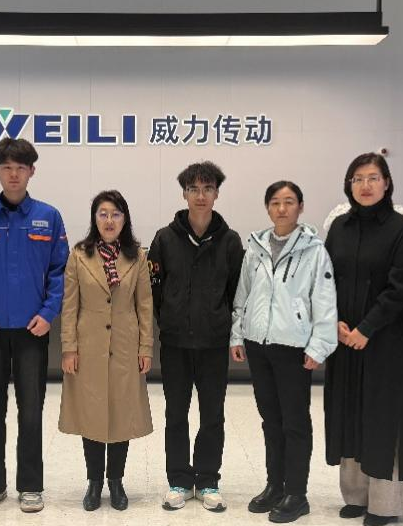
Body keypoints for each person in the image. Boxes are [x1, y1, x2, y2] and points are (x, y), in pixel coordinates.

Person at [0, 137, 69, 514]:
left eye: (21, 168)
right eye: (6, 167)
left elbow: (59, 272)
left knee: (31, 410)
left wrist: (48, 313)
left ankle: (31, 486)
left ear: (31, 171)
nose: (14, 174)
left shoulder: (48, 217)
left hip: (31, 331)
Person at [323, 153, 403, 526]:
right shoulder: (339, 227)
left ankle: (385, 504)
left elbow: (401, 287)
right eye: (357, 179)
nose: (365, 186)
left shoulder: (402, 228)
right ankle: (355, 495)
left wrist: (367, 328)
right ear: (349, 185)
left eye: (373, 178)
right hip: (344, 338)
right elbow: (324, 277)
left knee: (383, 418)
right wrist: (334, 321)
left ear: (386, 183)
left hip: (386, 339)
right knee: (348, 411)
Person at [230, 181, 338, 523]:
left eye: (289, 202)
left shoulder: (314, 250)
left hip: (294, 347)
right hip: (258, 344)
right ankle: (275, 485)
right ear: (267, 207)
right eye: (275, 202)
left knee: (295, 422)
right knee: (271, 420)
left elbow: (324, 301)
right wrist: (237, 335)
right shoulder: (256, 246)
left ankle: (297, 493)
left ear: (300, 207)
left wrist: (319, 346)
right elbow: (243, 294)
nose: (282, 208)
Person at [148, 161, 244, 512]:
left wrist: (227, 329)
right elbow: (153, 290)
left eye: (207, 189)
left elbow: (237, 293)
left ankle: (207, 481)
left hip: (213, 344)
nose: (200, 195)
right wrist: (169, 320)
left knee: (212, 415)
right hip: (174, 343)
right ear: (184, 194)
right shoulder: (164, 239)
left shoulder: (230, 241)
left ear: (217, 194)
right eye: (193, 189)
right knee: (176, 414)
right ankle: (178, 480)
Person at [58, 190, 154, 512]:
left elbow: (144, 305)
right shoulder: (79, 255)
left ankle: (116, 480)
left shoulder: (137, 256)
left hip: (126, 346)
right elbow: (69, 306)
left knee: (121, 414)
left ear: (124, 219)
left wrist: (145, 347)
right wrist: (69, 348)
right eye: (103, 214)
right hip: (88, 347)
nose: (109, 220)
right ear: (94, 219)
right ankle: (94, 481)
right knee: (92, 413)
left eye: (115, 214)